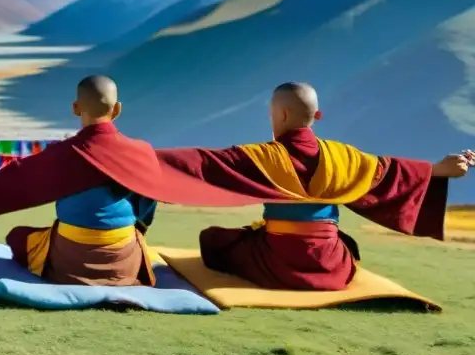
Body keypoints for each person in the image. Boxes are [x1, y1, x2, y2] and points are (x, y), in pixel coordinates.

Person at [156, 82, 475, 290]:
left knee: (214, 240)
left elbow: (203, 163)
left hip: (275, 263)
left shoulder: (261, 158)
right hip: (329, 265)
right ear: (317, 115)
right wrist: (437, 170)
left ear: (279, 114)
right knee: (346, 245)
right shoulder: (344, 157)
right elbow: (388, 172)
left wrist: (139, 159)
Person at [0, 75, 262, 286]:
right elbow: (150, 197)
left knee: (18, 236)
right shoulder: (139, 152)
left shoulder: (62, 154)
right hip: (124, 260)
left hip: (70, 261)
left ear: (76, 108)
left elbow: (16, 178)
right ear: (118, 109)